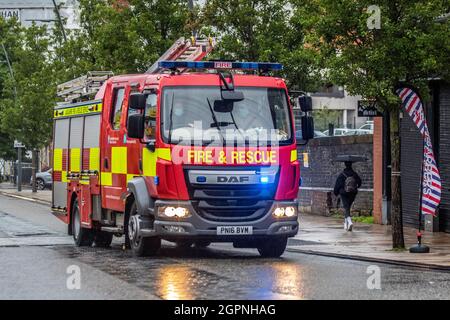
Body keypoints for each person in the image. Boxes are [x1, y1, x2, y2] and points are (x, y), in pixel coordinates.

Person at [333, 161, 362, 231]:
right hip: (353, 193)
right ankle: (346, 225)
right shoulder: (354, 174)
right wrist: (356, 187)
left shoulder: (342, 175)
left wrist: (336, 193)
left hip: (344, 193)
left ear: (345, 165)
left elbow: (337, 185)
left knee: (346, 208)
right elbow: (360, 182)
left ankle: (349, 221)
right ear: (351, 165)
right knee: (348, 208)